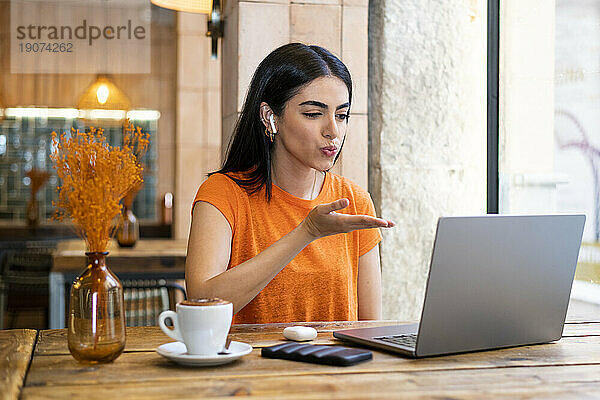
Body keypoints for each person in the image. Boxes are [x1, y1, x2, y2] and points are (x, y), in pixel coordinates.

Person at [185, 43, 395, 324]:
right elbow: (202, 301)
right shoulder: (223, 193)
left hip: (337, 367)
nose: (333, 130)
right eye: (313, 114)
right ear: (271, 117)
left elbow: (369, 325)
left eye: (341, 115)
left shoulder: (353, 199)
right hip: (251, 367)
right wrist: (306, 232)